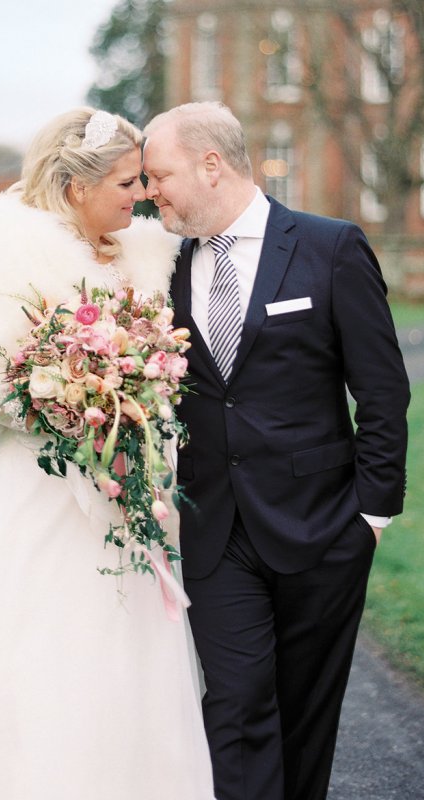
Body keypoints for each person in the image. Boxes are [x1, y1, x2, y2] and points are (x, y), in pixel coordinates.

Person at [0, 108, 215, 800]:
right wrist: (79, 401)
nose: (139, 193)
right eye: (125, 180)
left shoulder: (149, 253)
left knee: (129, 648)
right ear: (77, 186)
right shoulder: (5, 248)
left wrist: (130, 407)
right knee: (38, 647)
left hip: (130, 490)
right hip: (44, 492)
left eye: (142, 179)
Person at [142, 101, 410, 800]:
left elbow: (381, 392)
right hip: (215, 530)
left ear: (211, 165)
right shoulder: (164, 267)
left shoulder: (331, 247)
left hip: (323, 528)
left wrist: (371, 519)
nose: (150, 190)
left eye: (158, 173)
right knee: (235, 707)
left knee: (303, 717)